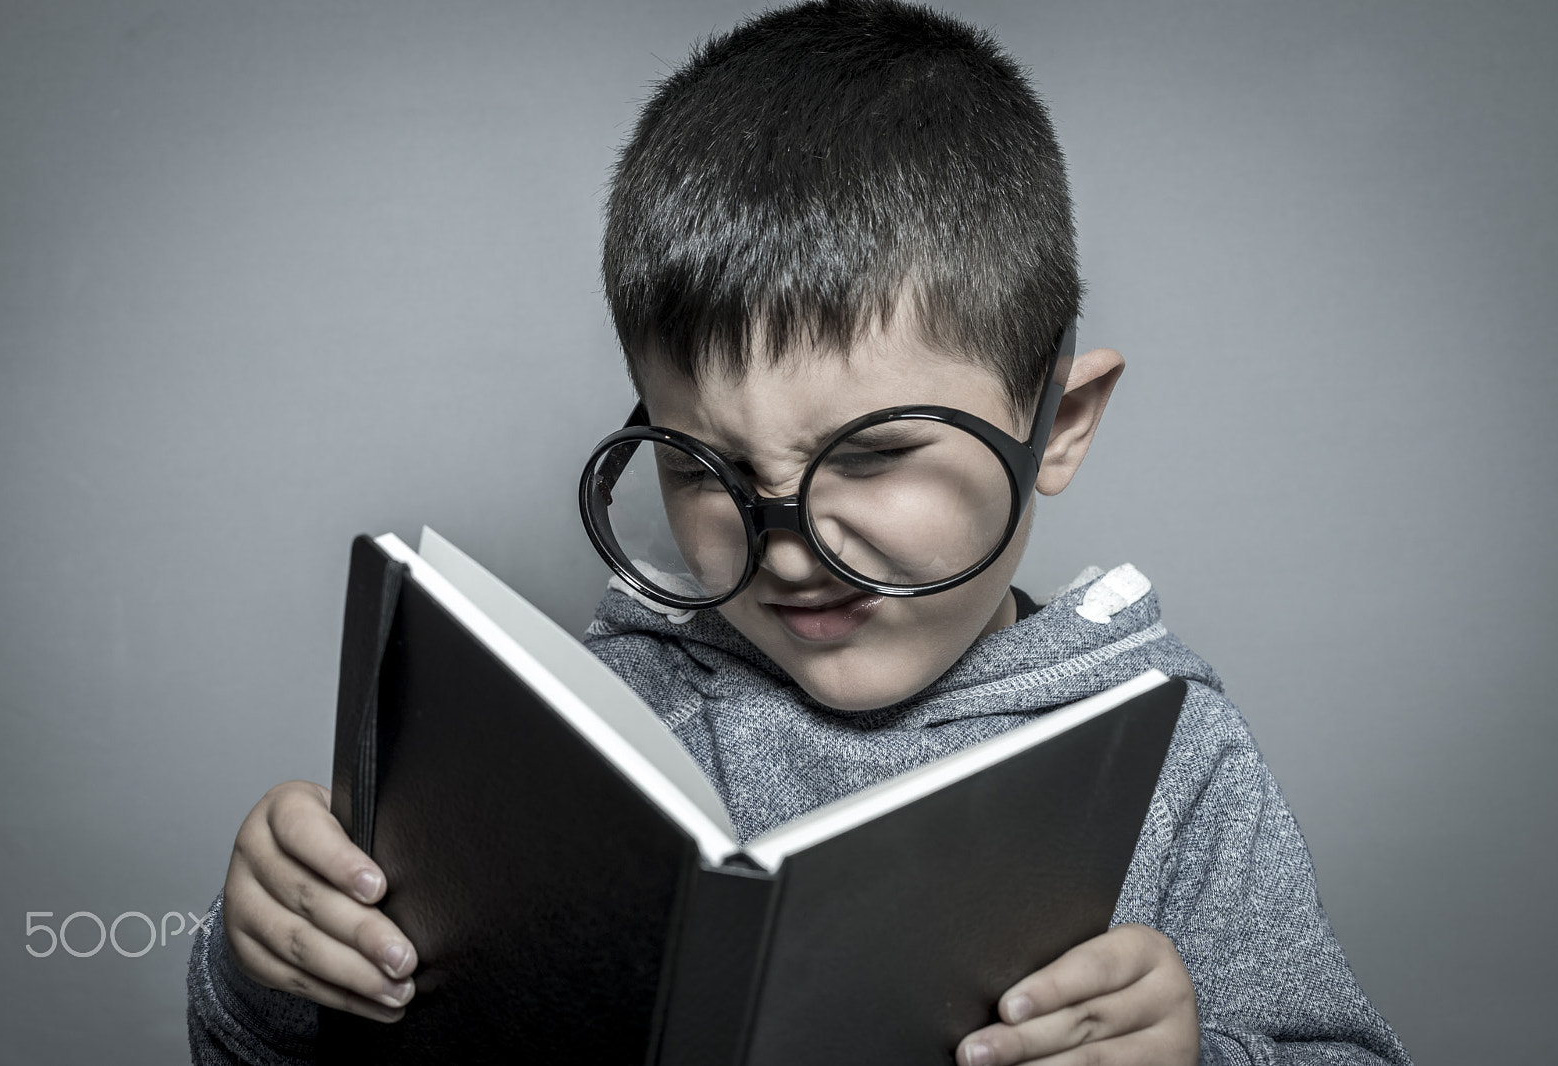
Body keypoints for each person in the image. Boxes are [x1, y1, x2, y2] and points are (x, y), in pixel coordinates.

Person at [187, 3, 1414, 1064]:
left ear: (1059, 425)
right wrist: (274, 969)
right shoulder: (584, 727)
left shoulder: (1171, 757)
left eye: (873, 453)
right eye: (706, 471)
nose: (785, 548)